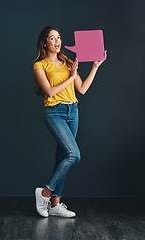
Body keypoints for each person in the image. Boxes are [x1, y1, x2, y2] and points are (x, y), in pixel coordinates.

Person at [33, 26, 107, 218]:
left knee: (62, 157)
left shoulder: (67, 62)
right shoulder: (40, 65)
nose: (57, 41)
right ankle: (44, 193)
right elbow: (50, 91)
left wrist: (95, 67)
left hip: (72, 111)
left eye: (58, 37)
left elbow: (81, 89)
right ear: (45, 43)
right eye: (52, 38)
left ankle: (56, 203)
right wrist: (72, 77)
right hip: (54, 112)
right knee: (74, 155)